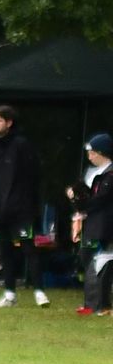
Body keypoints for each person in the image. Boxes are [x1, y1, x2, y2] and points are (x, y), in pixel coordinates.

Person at [0, 105, 46, 307]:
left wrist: (29, 205)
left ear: (9, 122)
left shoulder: (21, 144)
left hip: (21, 210)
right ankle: (9, 294)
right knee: (4, 251)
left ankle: (39, 292)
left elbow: (33, 176)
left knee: (29, 248)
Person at [68, 133, 113, 314]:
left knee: (101, 261)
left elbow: (101, 198)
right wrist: (76, 197)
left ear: (102, 153)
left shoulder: (110, 174)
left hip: (104, 224)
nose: (89, 156)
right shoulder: (89, 172)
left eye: (92, 152)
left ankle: (101, 304)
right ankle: (91, 303)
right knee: (87, 257)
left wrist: (83, 203)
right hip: (90, 222)